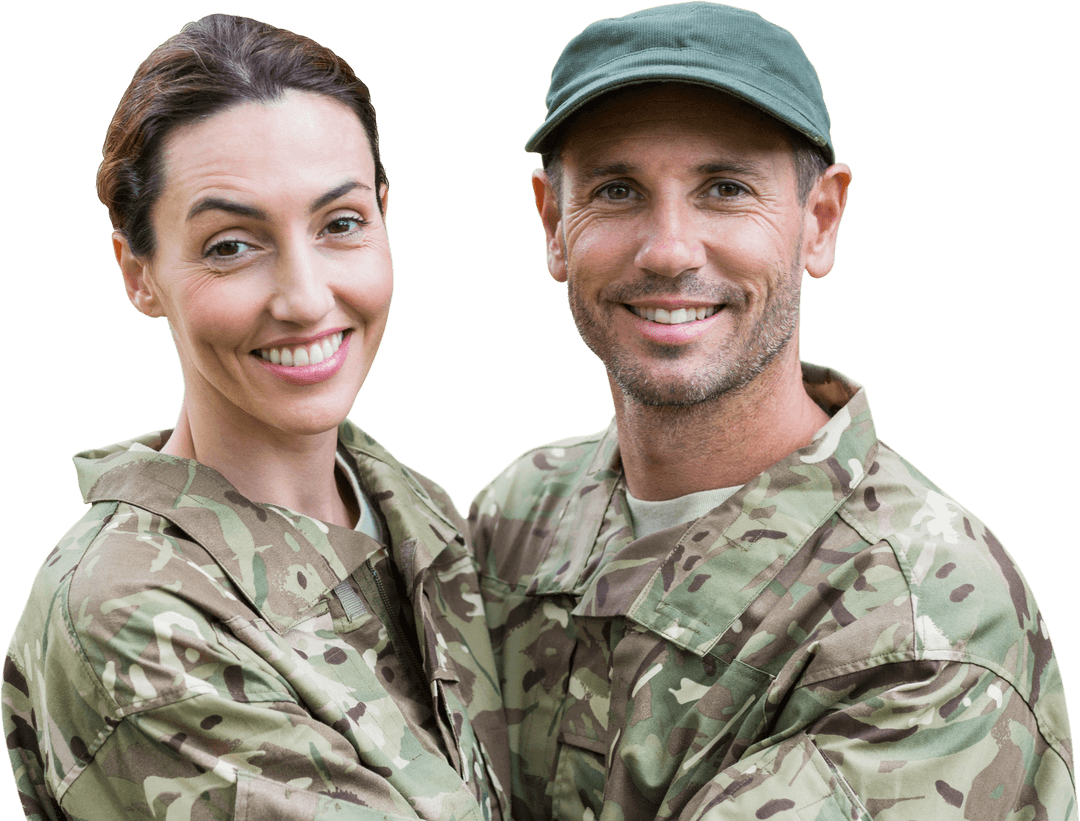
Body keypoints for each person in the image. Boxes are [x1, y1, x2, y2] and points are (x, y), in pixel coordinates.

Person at [468, 4, 1076, 820]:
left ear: (818, 221)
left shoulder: (920, 622)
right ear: (553, 224)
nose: (670, 248)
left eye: (725, 189)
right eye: (618, 190)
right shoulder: (518, 517)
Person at [2, 14, 508, 821]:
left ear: (385, 214)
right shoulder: (128, 615)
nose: (306, 298)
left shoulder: (416, 509)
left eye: (340, 224)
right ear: (138, 272)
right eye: (231, 245)